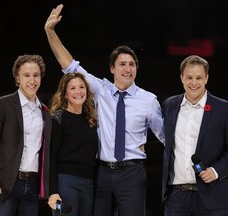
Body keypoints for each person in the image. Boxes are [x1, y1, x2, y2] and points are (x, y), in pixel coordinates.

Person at [44, 4, 165, 216]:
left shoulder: (149, 100)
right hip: (101, 174)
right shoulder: (100, 89)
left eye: (131, 64)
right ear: (112, 69)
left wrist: (149, 148)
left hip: (132, 173)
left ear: (137, 68)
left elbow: (165, 136)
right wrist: (50, 32)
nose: (127, 69)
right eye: (121, 64)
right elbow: (69, 65)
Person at [161, 55, 228, 216]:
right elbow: (161, 136)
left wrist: (216, 170)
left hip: (212, 195)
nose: (194, 83)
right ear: (181, 78)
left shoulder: (224, 109)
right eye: (189, 77)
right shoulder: (170, 105)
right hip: (176, 197)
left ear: (206, 78)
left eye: (199, 77)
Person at [0, 54, 52, 216]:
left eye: (36, 75)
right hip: (5, 186)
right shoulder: (0, 105)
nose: (32, 80)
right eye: (27, 75)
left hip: (32, 187)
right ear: (17, 78)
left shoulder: (45, 112)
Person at [47, 72, 98, 216]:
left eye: (81, 87)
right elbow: (51, 158)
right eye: (73, 88)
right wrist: (53, 192)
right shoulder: (58, 119)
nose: (78, 91)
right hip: (65, 182)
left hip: (88, 184)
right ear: (64, 94)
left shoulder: (91, 120)